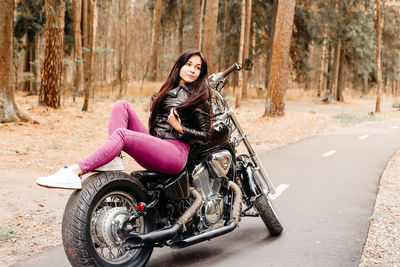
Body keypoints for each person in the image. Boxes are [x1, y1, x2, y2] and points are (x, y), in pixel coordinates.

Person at [36, 49, 212, 190]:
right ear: (180, 66)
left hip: (175, 152)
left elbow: (205, 136)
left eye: (197, 67)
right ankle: (114, 158)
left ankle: (75, 171)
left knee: (122, 134)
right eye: (189, 64)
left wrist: (180, 128)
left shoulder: (198, 97)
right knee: (122, 105)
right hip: (157, 144)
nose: (192, 70)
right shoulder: (167, 90)